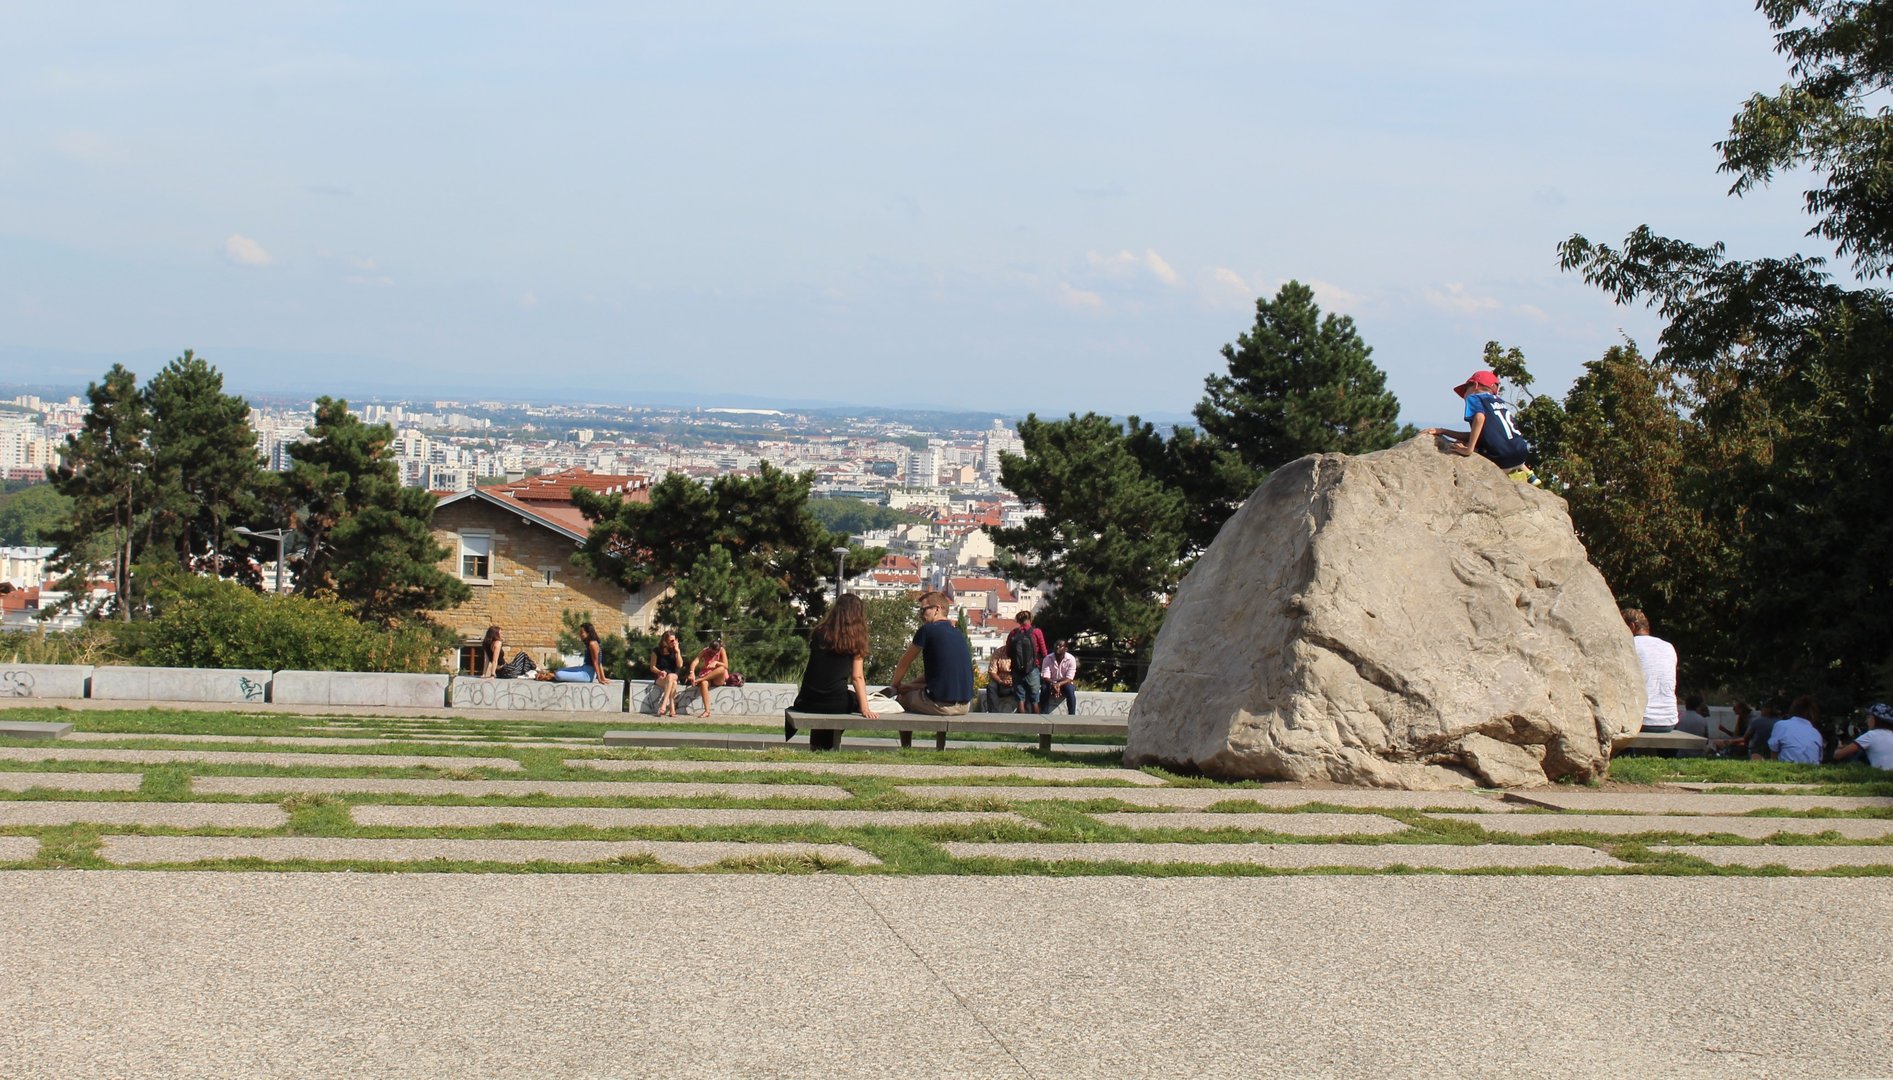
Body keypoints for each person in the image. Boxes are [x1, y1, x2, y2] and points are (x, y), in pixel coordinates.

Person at [788, 594, 878, 748]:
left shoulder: (819, 632)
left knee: (828, 708)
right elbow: (857, 677)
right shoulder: (856, 638)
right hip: (835, 702)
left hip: (808, 700)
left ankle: (817, 746)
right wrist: (865, 708)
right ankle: (829, 745)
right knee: (852, 700)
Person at [1424, 369, 1533, 481]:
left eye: (1465, 390)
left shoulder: (1474, 398)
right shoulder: (1499, 401)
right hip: (1521, 454)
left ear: (1475, 386)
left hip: (1502, 459)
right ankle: (1529, 474)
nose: (1464, 396)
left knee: (1458, 445)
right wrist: (1443, 431)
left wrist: (1468, 449)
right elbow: (1480, 435)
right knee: (1478, 441)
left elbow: (1479, 418)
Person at [890, 591, 973, 716]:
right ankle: (940, 736)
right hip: (965, 705)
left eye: (924, 610)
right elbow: (938, 674)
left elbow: (905, 662)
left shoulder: (927, 630)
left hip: (940, 705)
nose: (921, 615)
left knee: (902, 699)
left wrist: (895, 686)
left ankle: (906, 737)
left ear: (937, 609)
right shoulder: (957, 633)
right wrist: (909, 685)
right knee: (912, 689)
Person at [1621, 608, 1679, 733]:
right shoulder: (1668, 646)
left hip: (1642, 721)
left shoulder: (1629, 645)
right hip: (1669, 720)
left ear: (1631, 626)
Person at [1007, 610, 1047, 714]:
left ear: (1018, 620)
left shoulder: (1013, 633)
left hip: (1017, 670)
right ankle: (1037, 726)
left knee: (1020, 699)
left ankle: (1022, 727)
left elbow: (1008, 652)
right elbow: (1044, 652)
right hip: (1032, 669)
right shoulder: (1036, 632)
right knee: (1035, 700)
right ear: (1030, 619)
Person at [542, 622, 608, 684]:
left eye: (582, 632)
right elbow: (599, 663)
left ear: (588, 633)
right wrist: (603, 678)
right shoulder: (590, 643)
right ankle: (548, 675)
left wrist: (600, 679)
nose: (580, 634)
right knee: (559, 670)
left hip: (587, 674)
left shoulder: (592, 644)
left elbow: (597, 662)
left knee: (559, 674)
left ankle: (551, 676)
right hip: (583, 668)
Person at [1833, 703, 1893, 770]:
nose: (1866, 721)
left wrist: (1838, 749)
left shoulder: (1871, 735)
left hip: (1882, 778)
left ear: (1875, 719)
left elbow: (1838, 755)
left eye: (1869, 717)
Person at [1767, 695, 1825, 764]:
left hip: (1786, 769)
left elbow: (1773, 753)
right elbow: (1819, 759)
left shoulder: (1781, 725)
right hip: (1811, 771)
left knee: (1756, 756)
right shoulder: (1816, 733)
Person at [689, 638, 730, 718]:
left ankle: (701, 679)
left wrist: (716, 662)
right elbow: (696, 661)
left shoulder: (722, 650)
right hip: (707, 675)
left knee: (722, 669)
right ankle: (707, 711)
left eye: (715, 652)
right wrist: (692, 672)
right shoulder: (705, 650)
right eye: (711, 652)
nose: (713, 654)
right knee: (704, 684)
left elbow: (726, 665)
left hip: (718, 677)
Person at [1039, 639, 1079, 715]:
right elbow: (1045, 677)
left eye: (1060, 646)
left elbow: (1070, 678)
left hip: (1065, 683)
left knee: (1070, 689)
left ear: (1066, 649)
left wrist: (1059, 684)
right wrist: (1054, 684)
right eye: (1056, 645)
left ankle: (1072, 715)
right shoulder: (1047, 659)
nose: (1057, 647)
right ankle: (1044, 714)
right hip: (1050, 682)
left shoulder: (1071, 659)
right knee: (1044, 688)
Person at [650, 631, 685, 717]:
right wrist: (659, 672)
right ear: (665, 641)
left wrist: (678, 651)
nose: (673, 642)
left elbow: (680, 665)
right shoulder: (656, 651)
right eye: (671, 641)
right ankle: (672, 708)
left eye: (675, 640)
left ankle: (664, 704)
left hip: (673, 675)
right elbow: (652, 667)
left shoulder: (675, 650)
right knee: (673, 683)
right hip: (661, 677)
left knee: (671, 677)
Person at [984, 647, 1015, 713]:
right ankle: (993, 713)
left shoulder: (1021, 652)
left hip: (1016, 683)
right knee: (991, 686)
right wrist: (1000, 681)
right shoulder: (999, 652)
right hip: (1001, 683)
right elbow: (992, 671)